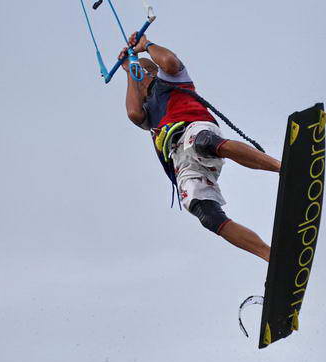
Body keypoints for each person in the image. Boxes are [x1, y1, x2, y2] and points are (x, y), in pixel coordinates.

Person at [118, 33, 281, 262]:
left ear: (150, 73)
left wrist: (146, 46)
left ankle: (282, 167)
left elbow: (170, 63)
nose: (137, 85)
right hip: (181, 160)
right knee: (206, 214)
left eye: (139, 77)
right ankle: (271, 256)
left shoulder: (171, 80)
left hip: (194, 129)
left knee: (204, 143)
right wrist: (128, 71)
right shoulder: (148, 112)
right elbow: (133, 113)